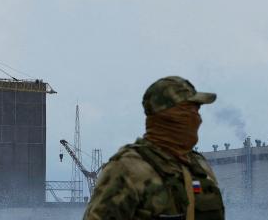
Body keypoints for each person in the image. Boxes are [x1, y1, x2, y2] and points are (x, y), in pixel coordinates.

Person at [83, 76, 226, 220]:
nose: (198, 119)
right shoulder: (128, 169)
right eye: (191, 111)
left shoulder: (198, 165)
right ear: (170, 116)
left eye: (197, 111)